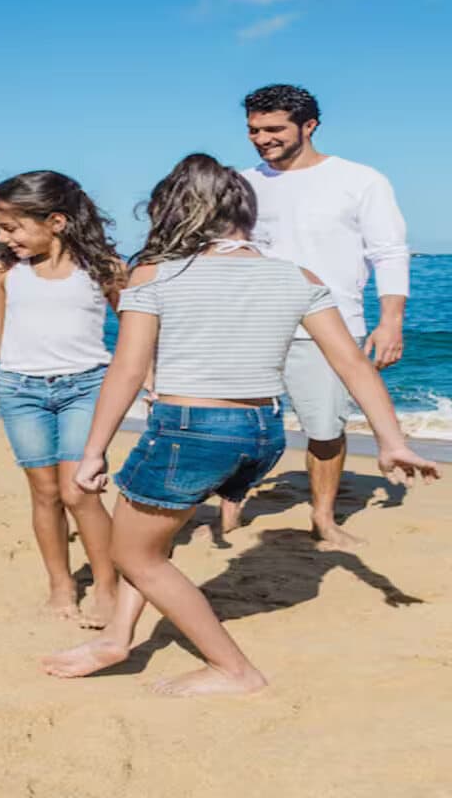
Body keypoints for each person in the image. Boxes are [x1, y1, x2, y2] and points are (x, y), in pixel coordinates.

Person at [40, 154, 438, 696]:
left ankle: (233, 669)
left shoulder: (155, 272)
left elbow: (129, 369)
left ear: (174, 211)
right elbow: (351, 363)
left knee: (132, 552)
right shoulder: (297, 275)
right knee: (156, 535)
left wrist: (93, 451)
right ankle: (117, 638)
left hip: (189, 430)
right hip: (261, 432)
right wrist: (391, 441)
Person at [220, 84, 411, 545]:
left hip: (329, 325)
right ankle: (228, 513)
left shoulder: (360, 180)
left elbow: (388, 253)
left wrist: (391, 321)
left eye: (273, 128)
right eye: (253, 129)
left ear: (309, 126)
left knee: (325, 428)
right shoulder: (242, 183)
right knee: (237, 423)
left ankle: (323, 518)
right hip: (249, 324)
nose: (261, 138)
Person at [0, 171, 124, 628]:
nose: (2, 237)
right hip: (20, 391)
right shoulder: (3, 270)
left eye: (11, 227)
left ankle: (106, 585)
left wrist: (153, 377)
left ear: (57, 221)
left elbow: (135, 328)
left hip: (86, 387)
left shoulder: (103, 268)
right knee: (45, 493)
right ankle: (61, 584)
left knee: (80, 491)